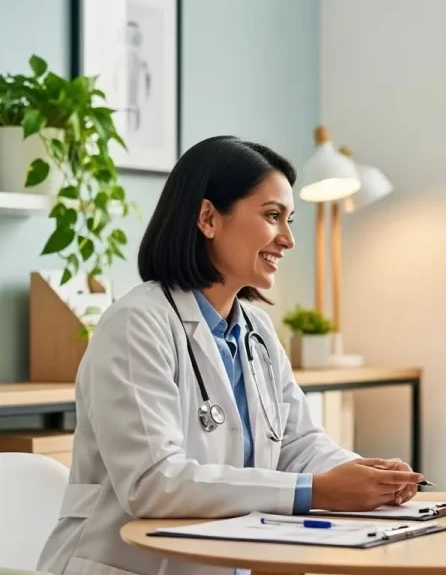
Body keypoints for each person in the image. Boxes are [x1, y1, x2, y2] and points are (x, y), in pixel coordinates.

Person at [37, 136, 424, 575]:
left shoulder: (256, 331)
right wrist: (317, 491)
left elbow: (298, 443)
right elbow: (153, 484)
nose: (289, 239)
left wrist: (364, 474)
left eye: (289, 219)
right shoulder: (135, 324)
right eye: (273, 216)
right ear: (207, 218)